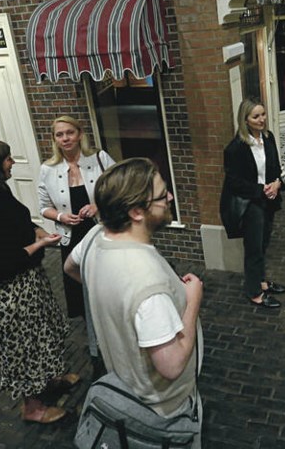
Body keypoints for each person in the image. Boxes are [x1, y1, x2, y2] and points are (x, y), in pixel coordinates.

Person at [64, 158, 203, 445]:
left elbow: (70, 267)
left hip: (121, 379)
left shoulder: (93, 238)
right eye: (163, 194)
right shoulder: (147, 282)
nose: (170, 197)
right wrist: (193, 301)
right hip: (163, 408)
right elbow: (172, 365)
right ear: (137, 211)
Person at [0, 139, 76, 424]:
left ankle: (48, 381)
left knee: (43, 335)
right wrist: (40, 246)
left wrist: (38, 233)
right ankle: (33, 408)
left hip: (27, 281)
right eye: (8, 159)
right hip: (8, 291)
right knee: (23, 348)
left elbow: (20, 222)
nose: (13, 162)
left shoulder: (0, 190)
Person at [37, 116, 115, 318]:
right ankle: (89, 324)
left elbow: (120, 188)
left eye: (70, 133)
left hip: (101, 229)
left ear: (80, 134)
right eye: (59, 134)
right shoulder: (48, 169)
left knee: (106, 276)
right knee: (77, 279)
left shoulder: (99, 158)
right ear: (54, 139)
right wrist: (61, 216)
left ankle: (110, 312)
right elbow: (44, 207)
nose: (65, 138)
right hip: (70, 235)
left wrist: (98, 205)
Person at [222, 98, 285, 308]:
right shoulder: (236, 148)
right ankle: (254, 293)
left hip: (269, 200)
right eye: (256, 116)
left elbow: (276, 167)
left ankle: (261, 282)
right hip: (250, 203)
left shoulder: (269, 138)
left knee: (263, 243)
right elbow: (233, 182)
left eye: (263, 114)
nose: (262, 120)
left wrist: (277, 183)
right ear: (246, 120)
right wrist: (261, 190)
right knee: (253, 249)